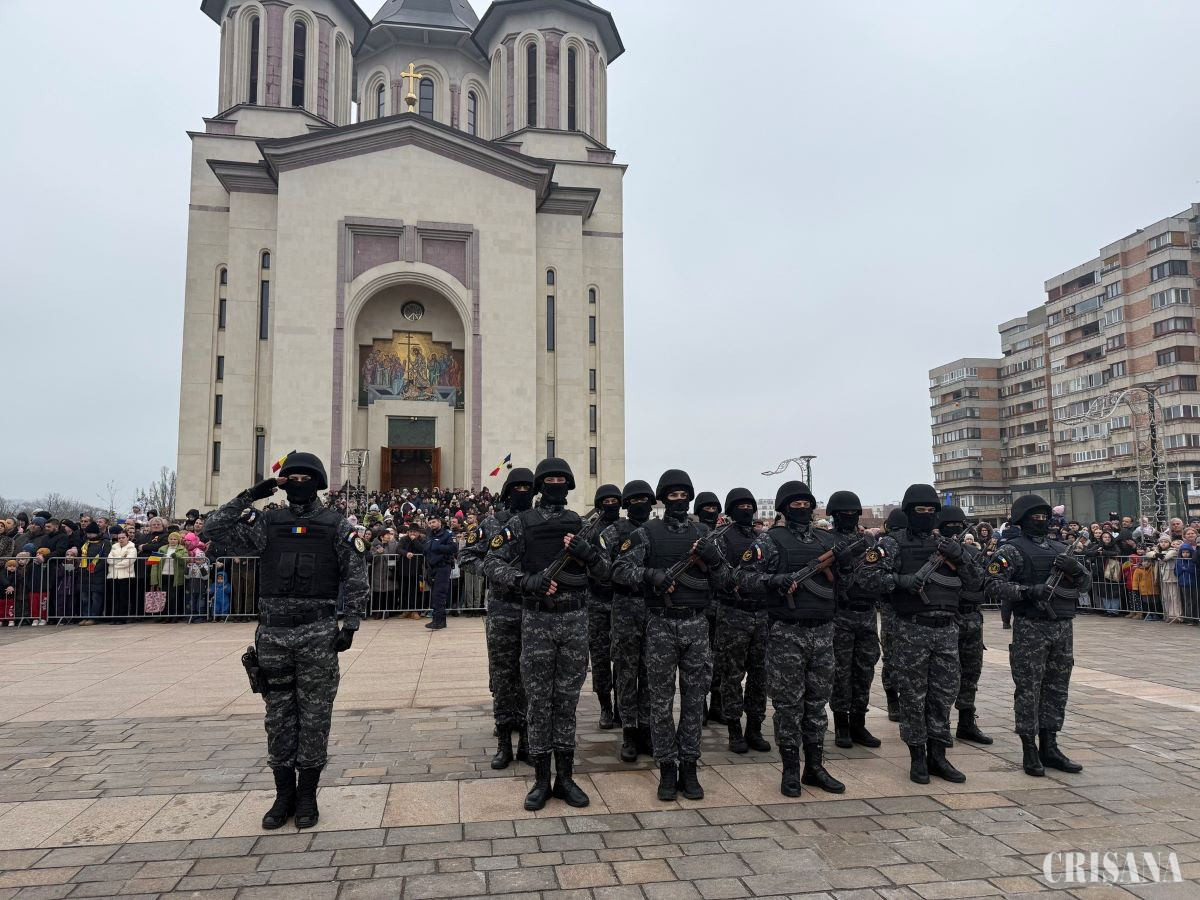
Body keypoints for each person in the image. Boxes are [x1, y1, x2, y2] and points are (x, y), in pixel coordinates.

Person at [203, 451, 367, 830]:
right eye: (291, 478)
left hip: (317, 633)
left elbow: (355, 576)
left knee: (315, 715)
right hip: (273, 634)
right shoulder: (267, 522)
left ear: (317, 483)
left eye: (305, 478)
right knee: (278, 716)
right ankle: (283, 794)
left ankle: (307, 793)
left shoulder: (336, 526)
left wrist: (351, 624)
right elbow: (213, 529)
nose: (298, 484)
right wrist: (252, 494)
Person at [483, 458, 608, 811]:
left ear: (568, 485)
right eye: (549, 480)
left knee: (566, 703)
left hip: (575, 620)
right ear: (541, 485)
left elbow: (606, 572)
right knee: (538, 702)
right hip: (537, 620)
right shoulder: (521, 523)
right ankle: (541, 780)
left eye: (560, 479)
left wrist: (588, 555)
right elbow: (491, 562)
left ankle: (565, 778)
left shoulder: (582, 526)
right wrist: (525, 581)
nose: (555, 484)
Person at [612, 470, 726, 802]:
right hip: (660, 624)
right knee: (660, 702)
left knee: (694, 701)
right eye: (673, 495)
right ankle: (666, 767)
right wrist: (651, 575)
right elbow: (619, 569)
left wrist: (714, 560)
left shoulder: (704, 534)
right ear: (663, 499)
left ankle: (689, 766)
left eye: (683, 495)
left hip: (696, 625)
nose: (679, 500)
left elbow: (725, 579)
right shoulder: (646, 533)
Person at [734, 481, 847, 798]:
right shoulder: (769, 541)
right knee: (788, 706)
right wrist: (775, 581)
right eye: (796, 504)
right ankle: (790, 770)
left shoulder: (827, 540)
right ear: (784, 509)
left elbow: (850, 581)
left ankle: (815, 767)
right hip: (788, 632)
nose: (803, 508)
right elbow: (741, 577)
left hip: (823, 632)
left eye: (806, 503)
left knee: (817, 705)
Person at [861, 484, 976, 785]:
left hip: (946, 630)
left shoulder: (947, 545)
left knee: (942, 695)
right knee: (913, 697)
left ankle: (939, 756)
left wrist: (961, 557)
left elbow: (977, 583)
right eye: (919, 510)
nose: (925, 515)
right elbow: (866, 576)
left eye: (930, 511)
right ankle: (917, 758)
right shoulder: (892, 544)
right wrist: (901, 581)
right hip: (912, 629)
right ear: (909, 512)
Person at [982, 495, 1088, 777]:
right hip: (1031, 627)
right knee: (1029, 689)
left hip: (1062, 627)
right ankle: (1029, 748)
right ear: (1022, 519)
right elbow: (991, 584)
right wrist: (1028, 591)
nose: (1040, 521)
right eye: (1035, 517)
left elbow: (1085, 583)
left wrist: (1076, 570)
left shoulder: (1061, 548)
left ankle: (1050, 746)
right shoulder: (1011, 550)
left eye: (1044, 516)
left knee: (1056, 689)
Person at [711, 487, 771, 755]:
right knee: (732, 675)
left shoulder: (763, 539)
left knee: (760, 675)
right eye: (741, 506)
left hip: (761, 614)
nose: (746, 510)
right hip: (733, 613)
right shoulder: (720, 538)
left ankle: (754, 728)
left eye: (749, 506)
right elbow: (718, 575)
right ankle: (734, 729)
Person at [481, 468, 534, 770]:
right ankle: (504, 742)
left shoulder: (538, 522)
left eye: (528, 487)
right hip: (502, 607)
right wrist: (497, 573)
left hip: (533, 607)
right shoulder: (492, 523)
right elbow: (470, 556)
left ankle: (526, 741)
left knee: (529, 676)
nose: (523, 492)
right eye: (518, 487)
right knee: (502, 676)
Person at [826, 490, 882, 750]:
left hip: (867, 613)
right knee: (841, 671)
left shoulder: (868, 541)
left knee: (864, 670)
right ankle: (841, 725)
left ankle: (859, 722)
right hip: (841, 614)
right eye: (844, 513)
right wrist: (843, 565)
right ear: (834, 515)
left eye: (853, 512)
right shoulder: (827, 541)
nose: (849, 516)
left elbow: (876, 571)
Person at [606, 480, 655, 762]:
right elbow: (604, 568)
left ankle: (647, 728)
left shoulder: (658, 531)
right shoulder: (613, 532)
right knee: (626, 671)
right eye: (635, 500)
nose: (640, 504)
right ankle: (629, 730)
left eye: (644, 499)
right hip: (625, 605)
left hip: (653, 606)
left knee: (650, 671)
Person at [935, 506, 991, 745]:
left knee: (971, 672)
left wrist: (961, 558)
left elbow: (981, 583)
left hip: (972, 618)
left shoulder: (971, 552)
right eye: (950, 525)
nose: (955, 529)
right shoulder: (933, 553)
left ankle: (967, 722)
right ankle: (940, 725)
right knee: (944, 676)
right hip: (949, 617)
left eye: (959, 525)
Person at [586, 484, 623, 730]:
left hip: (621, 601)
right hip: (596, 601)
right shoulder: (590, 531)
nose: (610, 505)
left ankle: (621, 705)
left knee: (621, 658)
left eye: (614, 501)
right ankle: (605, 707)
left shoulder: (627, 528)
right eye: (606, 501)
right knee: (600, 659)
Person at [692, 491, 725, 725]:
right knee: (701, 660)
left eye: (714, 509)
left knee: (719, 658)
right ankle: (700, 704)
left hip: (721, 604)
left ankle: (717, 704)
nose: (711, 512)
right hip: (701, 605)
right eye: (707, 508)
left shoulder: (724, 536)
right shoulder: (694, 534)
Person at [878, 508, 907, 719]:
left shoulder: (915, 544)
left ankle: (901, 699)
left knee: (902, 658)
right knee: (891, 656)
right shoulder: (886, 545)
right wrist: (900, 582)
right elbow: (875, 578)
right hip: (891, 607)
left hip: (910, 608)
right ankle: (892, 698)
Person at [421, 515, 457, 630]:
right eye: (430, 523)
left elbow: (454, 548)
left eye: (434, 522)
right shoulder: (430, 535)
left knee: (439, 594)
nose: (432, 524)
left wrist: (438, 547)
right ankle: (441, 621)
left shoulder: (448, 534)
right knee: (435, 595)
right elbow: (426, 549)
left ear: (439, 522)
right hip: (432, 567)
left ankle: (438, 621)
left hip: (443, 566)